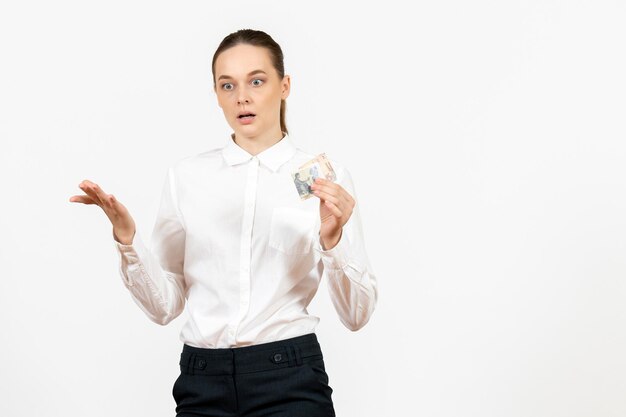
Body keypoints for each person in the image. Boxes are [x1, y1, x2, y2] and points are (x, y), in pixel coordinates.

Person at [69, 28, 378, 417]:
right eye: (227, 84)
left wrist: (333, 241)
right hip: (202, 381)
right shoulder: (187, 177)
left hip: (291, 378)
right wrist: (127, 239)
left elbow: (357, 315)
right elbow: (165, 307)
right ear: (216, 94)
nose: (242, 97)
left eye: (257, 81)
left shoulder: (323, 180)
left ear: (284, 86)